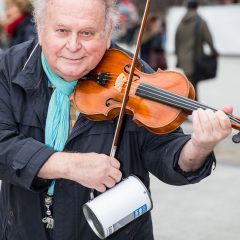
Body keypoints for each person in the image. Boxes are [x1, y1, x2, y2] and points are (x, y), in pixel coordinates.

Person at [0, 0, 233, 239]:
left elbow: (166, 154)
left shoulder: (134, 76)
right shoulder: (9, 68)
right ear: (40, 28)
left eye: (87, 33)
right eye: (62, 31)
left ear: (108, 32)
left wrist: (199, 146)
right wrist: (69, 165)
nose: (73, 45)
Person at [175, 0, 218, 101]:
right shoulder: (200, 21)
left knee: (190, 84)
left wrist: (178, 57)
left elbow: (176, 40)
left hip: (184, 59)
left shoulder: (181, 22)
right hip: (195, 59)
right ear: (197, 7)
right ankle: (192, 108)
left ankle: (190, 106)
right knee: (193, 85)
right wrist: (214, 52)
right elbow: (208, 39)